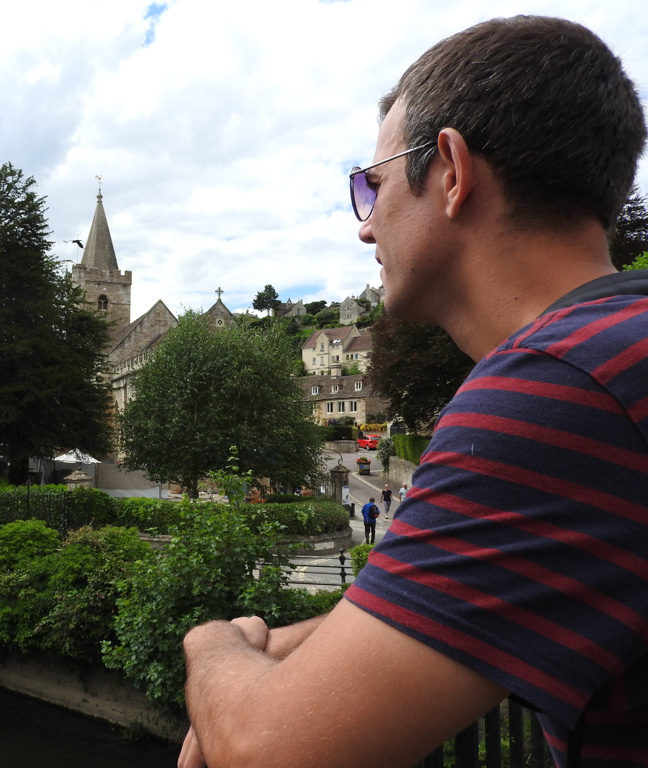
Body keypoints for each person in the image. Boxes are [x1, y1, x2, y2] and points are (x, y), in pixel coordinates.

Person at [179, 15, 648, 768]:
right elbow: (466, 608)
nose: (366, 229)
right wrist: (308, 645)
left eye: (373, 184)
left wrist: (213, 642)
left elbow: (266, 753)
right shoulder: (619, 351)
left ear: (453, 173)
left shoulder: (558, 394)